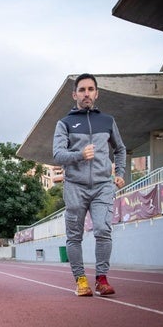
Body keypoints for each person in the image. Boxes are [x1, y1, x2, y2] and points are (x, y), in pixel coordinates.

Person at [52, 73, 126, 297]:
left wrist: (120, 173)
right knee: (74, 236)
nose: (86, 94)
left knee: (103, 230)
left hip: (103, 185)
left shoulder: (107, 121)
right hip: (75, 185)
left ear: (97, 93)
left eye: (90, 89)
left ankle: (102, 279)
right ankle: (81, 280)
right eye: (82, 90)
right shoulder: (64, 123)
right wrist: (80, 154)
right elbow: (57, 155)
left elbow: (120, 149)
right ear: (75, 94)